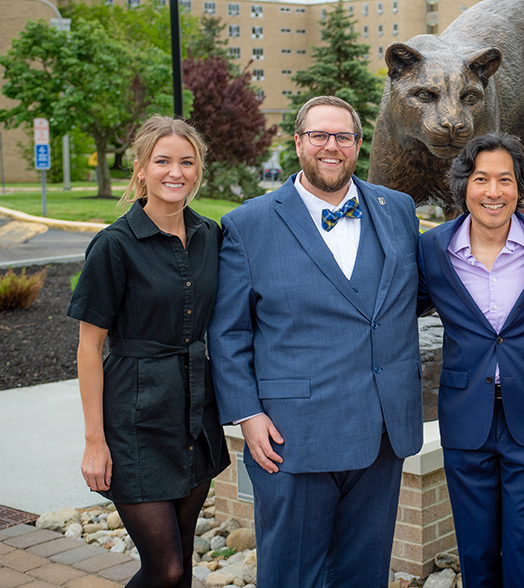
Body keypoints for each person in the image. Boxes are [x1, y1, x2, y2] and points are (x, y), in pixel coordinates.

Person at [208, 95, 422, 587]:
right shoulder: (248, 224)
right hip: (292, 436)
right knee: (292, 576)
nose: (332, 146)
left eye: (343, 136)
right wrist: (247, 414)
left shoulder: (397, 210)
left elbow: (416, 296)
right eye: (319, 135)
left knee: (364, 575)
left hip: (383, 431)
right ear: (299, 142)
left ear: (358, 144)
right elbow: (229, 332)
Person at [68, 115, 229, 588]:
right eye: (162, 161)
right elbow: (88, 347)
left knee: (184, 559)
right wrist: (95, 441)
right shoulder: (114, 246)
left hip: (196, 413)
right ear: (141, 169)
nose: (175, 172)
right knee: (167, 567)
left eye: (186, 161)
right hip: (134, 419)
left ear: (198, 170)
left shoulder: (210, 236)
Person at [418, 133, 524, 587]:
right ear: (464, 185)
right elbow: (399, 311)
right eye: (481, 179)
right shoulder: (434, 249)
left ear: (520, 188)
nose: (493, 191)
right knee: (475, 543)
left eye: (505, 179)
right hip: (465, 413)